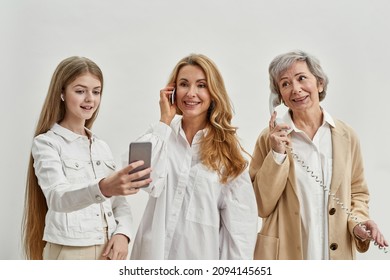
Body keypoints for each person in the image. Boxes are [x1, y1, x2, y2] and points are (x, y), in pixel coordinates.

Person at [249, 50, 388, 260]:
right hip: (285, 255)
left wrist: (358, 223)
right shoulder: (269, 139)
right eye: (285, 84)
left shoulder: (346, 136)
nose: (296, 89)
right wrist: (277, 153)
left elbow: (357, 192)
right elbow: (260, 205)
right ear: (279, 97)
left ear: (319, 84)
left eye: (301, 78)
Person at [22, 56, 152, 260]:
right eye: (80, 91)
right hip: (70, 251)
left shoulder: (101, 146)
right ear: (62, 93)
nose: (90, 98)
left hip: (108, 251)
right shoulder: (47, 143)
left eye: (96, 91)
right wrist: (103, 187)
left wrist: (123, 234)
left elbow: (119, 204)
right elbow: (58, 198)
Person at [130, 54, 258, 260]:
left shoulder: (228, 155)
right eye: (183, 84)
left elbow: (241, 232)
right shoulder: (160, 135)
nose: (191, 93)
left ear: (213, 92)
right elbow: (136, 176)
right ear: (172, 91)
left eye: (201, 85)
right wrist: (164, 120)